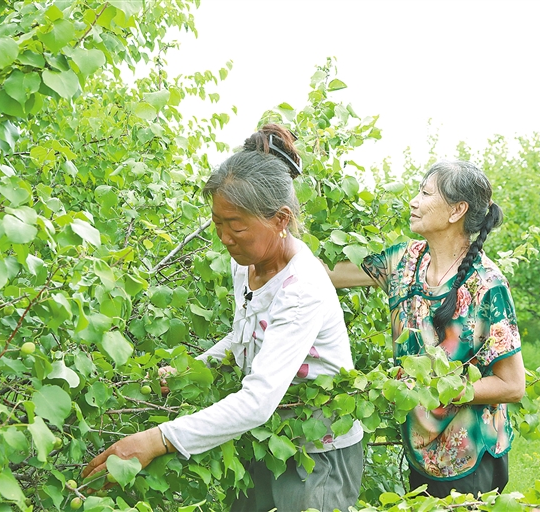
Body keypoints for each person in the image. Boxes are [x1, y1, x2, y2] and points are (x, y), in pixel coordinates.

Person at [83, 124, 364, 512]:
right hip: (265, 439)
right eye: (218, 224)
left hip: (319, 455)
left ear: (280, 219)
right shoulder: (245, 262)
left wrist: (157, 439)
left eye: (237, 226)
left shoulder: (301, 288)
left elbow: (258, 400)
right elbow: (244, 337)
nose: (225, 238)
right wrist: (191, 370)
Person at [325, 161, 525, 497]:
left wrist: (435, 389)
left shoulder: (486, 285)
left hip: (470, 455)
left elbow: (512, 385)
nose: (414, 201)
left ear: (457, 210)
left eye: (426, 193)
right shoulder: (406, 262)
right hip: (421, 451)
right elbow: (328, 274)